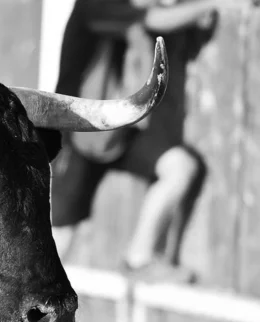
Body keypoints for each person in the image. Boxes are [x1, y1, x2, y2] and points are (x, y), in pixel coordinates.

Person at [50, 0, 250, 283]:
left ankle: (138, 259)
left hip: (119, 129)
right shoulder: (95, 5)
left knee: (180, 167)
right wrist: (214, 3)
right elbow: (153, 18)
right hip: (77, 132)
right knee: (60, 235)